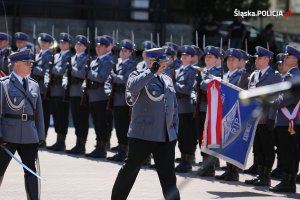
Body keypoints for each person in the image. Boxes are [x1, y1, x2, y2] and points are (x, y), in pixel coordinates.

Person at [111, 47, 180, 200]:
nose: (164, 64)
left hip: (165, 137)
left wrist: (174, 132)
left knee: (168, 178)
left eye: (164, 61)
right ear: (150, 61)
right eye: (160, 61)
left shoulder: (167, 79)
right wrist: (151, 72)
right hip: (143, 135)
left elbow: (173, 108)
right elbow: (132, 87)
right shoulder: (138, 74)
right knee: (129, 172)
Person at [0, 49, 45, 200]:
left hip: (29, 134)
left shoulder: (34, 85)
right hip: (8, 134)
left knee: (31, 171)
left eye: (31, 63)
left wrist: (40, 134)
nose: (30, 66)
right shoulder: (4, 84)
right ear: (16, 65)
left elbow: (39, 113)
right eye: (27, 63)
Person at [244, 46, 281, 187]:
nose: (256, 60)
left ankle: (266, 177)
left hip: (266, 118)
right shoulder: (254, 75)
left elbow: (276, 98)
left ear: (266, 59)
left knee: (267, 148)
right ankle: (260, 174)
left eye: (259, 57)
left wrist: (272, 118)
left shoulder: (274, 76)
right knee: (257, 147)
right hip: (255, 118)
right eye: (256, 57)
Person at [270, 45, 300, 193]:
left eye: (288, 57)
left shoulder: (294, 75)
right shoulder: (289, 75)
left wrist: (272, 101)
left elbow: (289, 98)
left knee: (289, 152)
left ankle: (289, 182)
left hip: (290, 120)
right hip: (285, 120)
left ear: (295, 60)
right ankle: (288, 181)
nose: (285, 58)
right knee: (286, 151)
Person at [105, 39, 136, 161]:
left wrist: (115, 77)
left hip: (124, 100)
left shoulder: (131, 65)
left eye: (125, 50)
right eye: (121, 50)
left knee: (124, 125)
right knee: (118, 125)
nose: (122, 52)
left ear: (130, 53)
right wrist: (108, 91)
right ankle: (121, 149)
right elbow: (108, 80)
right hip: (115, 98)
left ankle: (125, 151)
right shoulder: (118, 64)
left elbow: (127, 79)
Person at [215, 48, 242, 181]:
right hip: (224, 112)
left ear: (239, 62)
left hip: (234, 112)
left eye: (233, 60)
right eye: (228, 60)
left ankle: (234, 171)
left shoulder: (241, 76)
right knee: (225, 142)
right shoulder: (225, 76)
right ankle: (229, 169)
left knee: (233, 142)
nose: (230, 62)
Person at [195, 46, 222, 177]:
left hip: (211, 110)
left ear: (217, 59)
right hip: (200, 108)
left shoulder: (218, 72)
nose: (207, 58)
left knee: (209, 139)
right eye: (206, 56)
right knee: (201, 138)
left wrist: (203, 80)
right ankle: (204, 164)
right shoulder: (203, 71)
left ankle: (209, 167)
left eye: (211, 57)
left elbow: (206, 86)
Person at [84, 35, 113, 158]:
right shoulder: (95, 60)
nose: (98, 48)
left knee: (102, 123)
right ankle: (98, 145)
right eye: (97, 45)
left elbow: (103, 77)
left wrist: (89, 72)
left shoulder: (109, 61)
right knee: (96, 122)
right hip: (92, 95)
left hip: (102, 96)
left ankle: (102, 147)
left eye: (101, 46)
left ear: (107, 48)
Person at [45, 32, 73, 151]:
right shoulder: (55, 55)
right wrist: (47, 78)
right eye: (61, 42)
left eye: (64, 42)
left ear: (69, 44)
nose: (62, 44)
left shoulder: (70, 56)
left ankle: (62, 141)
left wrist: (52, 70)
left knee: (62, 116)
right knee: (56, 115)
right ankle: (58, 139)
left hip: (62, 90)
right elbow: (48, 70)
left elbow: (63, 71)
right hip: (53, 89)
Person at [65, 35, 90, 154]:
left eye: (80, 44)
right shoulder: (72, 57)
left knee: (82, 119)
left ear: (85, 47)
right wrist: (65, 81)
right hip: (72, 91)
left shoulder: (87, 58)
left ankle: (82, 145)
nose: (78, 46)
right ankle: (77, 143)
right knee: (75, 118)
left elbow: (84, 74)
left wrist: (72, 70)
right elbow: (66, 73)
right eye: (77, 44)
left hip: (81, 92)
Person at [174, 45, 197, 173]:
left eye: (187, 56)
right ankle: (183, 160)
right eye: (182, 55)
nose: (184, 57)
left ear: (192, 58)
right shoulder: (179, 70)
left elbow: (189, 89)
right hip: (177, 107)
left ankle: (187, 162)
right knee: (180, 136)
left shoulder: (192, 71)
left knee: (187, 136)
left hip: (187, 108)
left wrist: (174, 84)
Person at [31, 33, 53, 147]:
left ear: (50, 44)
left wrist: (34, 67)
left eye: (46, 43)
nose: (43, 44)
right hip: (35, 88)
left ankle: (42, 138)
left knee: (43, 114)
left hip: (43, 89)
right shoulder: (39, 54)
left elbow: (45, 71)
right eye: (42, 42)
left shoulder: (49, 55)